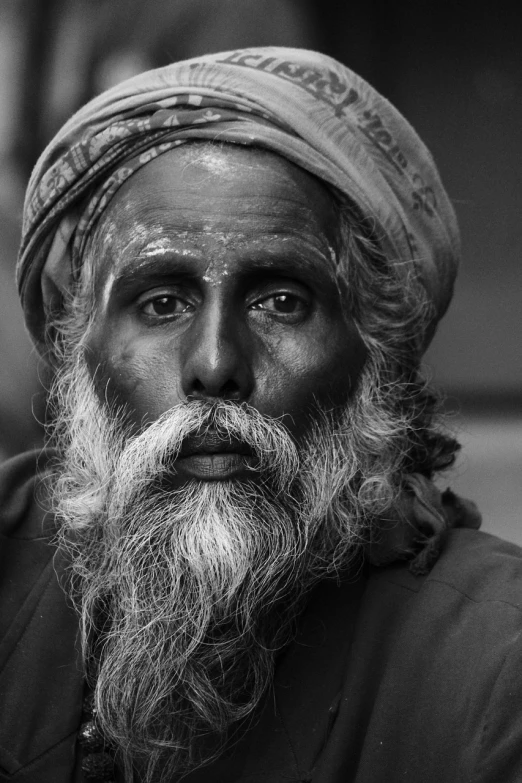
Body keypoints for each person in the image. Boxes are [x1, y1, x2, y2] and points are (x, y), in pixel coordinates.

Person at [2, 47, 521, 783]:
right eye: (162, 302)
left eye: (280, 301)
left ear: (376, 359)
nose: (214, 364)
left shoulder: (492, 671)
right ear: (77, 348)